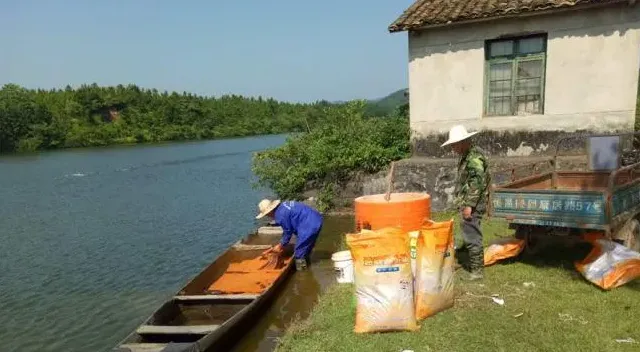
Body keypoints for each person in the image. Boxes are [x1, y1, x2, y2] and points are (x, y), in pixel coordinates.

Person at [441, 125, 491, 281]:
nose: (453, 148)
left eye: (454, 145)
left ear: (463, 142)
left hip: (473, 203)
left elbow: (477, 181)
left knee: (472, 235)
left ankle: (477, 271)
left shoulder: (473, 157)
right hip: (468, 201)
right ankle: (469, 261)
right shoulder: (467, 155)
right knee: (468, 232)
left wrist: (469, 205)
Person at [255, 199, 323, 271]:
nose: (267, 216)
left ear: (270, 211)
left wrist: (281, 245)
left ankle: (302, 272)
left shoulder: (280, 215)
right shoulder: (283, 206)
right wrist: (282, 243)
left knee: (299, 253)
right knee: (306, 247)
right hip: (316, 219)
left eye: (267, 214)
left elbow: (288, 232)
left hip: (309, 225)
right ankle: (307, 263)